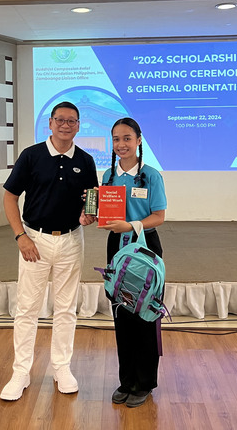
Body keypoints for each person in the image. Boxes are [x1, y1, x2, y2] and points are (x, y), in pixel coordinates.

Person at [0, 101, 99, 401]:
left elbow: (90, 202)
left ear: (79, 125)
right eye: (60, 120)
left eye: (72, 121)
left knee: (66, 308)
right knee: (28, 309)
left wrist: (88, 215)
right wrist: (20, 237)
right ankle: (21, 372)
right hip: (34, 241)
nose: (66, 125)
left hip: (71, 240)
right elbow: (9, 197)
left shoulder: (86, 160)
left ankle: (61, 368)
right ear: (51, 123)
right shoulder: (31, 156)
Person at [98, 117, 167, 408]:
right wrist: (91, 214)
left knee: (144, 315)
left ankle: (145, 383)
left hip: (145, 248)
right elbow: (101, 212)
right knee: (122, 314)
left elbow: (159, 217)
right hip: (116, 247)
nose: (121, 144)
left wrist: (131, 225)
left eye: (127, 138)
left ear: (138, 140)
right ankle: (126, 381)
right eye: (116, 139)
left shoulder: (151, 176)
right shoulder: (108, 177)